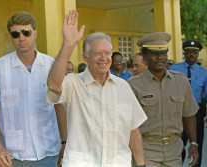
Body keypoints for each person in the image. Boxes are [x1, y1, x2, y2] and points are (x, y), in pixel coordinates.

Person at [46, 10, 147, 167]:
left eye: (107, 53)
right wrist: (68, 45)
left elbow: (133, 130)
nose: (103, 58)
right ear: (85, 57)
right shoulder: (73, 83)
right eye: (97, 53)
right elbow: (53, 85)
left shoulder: (123, 87)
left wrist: (141, 164)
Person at [0, 11, 60, 167]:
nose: (21, 37)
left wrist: (64, 142)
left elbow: (60, 106)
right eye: (15, 34)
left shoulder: (51, 65)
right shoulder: (0, 67)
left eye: (26, 32)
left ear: (35, 33)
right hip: (12, 157)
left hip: (48, 153)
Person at [128, 32, 199, 167]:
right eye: (154, 53)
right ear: (145, 56)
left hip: (174, 149)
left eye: (163, 53)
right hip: (145, 149)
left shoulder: (181, 81)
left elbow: (189, 114)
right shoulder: (133, 85)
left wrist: (193, 143)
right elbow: (129, 124)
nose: (160, 58)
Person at [169, 39, 207, 167]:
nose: (191, 54)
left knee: (197, 143)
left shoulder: (203, 72)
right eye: (188, 52)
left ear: (197, 54)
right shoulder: (174, 69)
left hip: (197, 111)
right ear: (184, 53)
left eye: (194, 52)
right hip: (177, 111)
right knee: (178, 143)